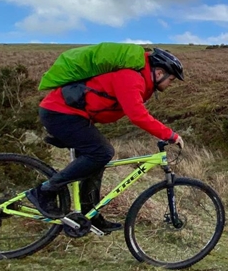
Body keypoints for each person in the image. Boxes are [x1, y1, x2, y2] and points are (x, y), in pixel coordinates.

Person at [27, 47, 185, 230]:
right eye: (171, 79)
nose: (171, 84)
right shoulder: (131, 77)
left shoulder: (139, 80)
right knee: (102, 153)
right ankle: (44, 191)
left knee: (96, 161)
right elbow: (137, 115)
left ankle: (90, 214)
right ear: (159, 73)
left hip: (74, 115)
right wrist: (170, 135)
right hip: (60, 113)